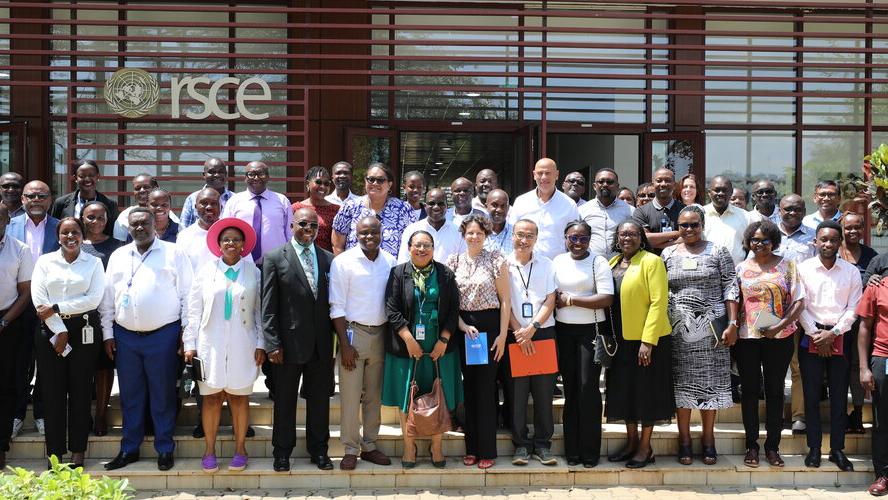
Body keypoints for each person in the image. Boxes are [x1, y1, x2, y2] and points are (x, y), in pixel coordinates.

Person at [101, 208, 193, 472]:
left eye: (144, 223)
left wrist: (186, 335)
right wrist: (108, 333)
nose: (139, 228)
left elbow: (188, 296)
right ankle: (129, 449)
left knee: (163, 394)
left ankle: (164, 449)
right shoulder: (118, 256)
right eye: (134, 224)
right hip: (125, 335)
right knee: (130, 395)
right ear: (128, 228)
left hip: (163, 334)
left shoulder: (174, 253)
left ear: (155, 224)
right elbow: (108, 299)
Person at [184, 218, 265, 473]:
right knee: (212, 398)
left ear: (244, 245)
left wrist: (262, 343)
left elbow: (261, 311)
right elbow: (193, 310)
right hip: (211, 342)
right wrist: (190, 343)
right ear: (219, 244)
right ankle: (209, 451)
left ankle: (240, 449)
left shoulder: (253, 272)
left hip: (244, 341)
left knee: (240, 398)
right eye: (226, 239)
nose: (231, 243)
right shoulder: (206, 271)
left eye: (236, 240)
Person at [661, 206, 739, 466]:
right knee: (682, 386)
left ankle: (708, 440)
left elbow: (730, 285)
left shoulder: (717, 251)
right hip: (678, 331)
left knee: (710, 385)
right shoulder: (668, 253)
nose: (689, 229)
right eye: (684, 225)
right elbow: (662, 290)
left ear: (703, 224)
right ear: (678, 226)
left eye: (694, 224)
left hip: (712, 331)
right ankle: (683, 441)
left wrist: (733, 323)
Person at [262, 208, 335, 472]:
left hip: (321, 345)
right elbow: (268, 307)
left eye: (313, 226)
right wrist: (272, 343)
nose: (308, 229)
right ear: (292, 225)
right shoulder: (273, 258)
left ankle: (319, 450)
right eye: (303, 224)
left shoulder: (328, 259)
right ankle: (282, 452)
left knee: (320, 402)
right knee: (285, 402)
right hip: (287, 346)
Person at [383, 230, 463, 468]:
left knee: (439, 393)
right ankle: (410, 445)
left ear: (433, 248)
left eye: (427, 245)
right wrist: (408, 338)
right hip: (406, 346)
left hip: (439, 346)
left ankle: (436, 445)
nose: (422, 249)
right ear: (409, 247)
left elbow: (453, 310)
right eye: (417, 245)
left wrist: (444, 340)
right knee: (407, 397)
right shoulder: (398, 273)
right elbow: (391, 309)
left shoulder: (445, 274)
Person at [30, 216, 105, 468]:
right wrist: (60, 331)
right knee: (52, 393)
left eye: (75, 233)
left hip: (83, 329)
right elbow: (39, 301)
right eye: (65, 233)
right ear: (58, 236)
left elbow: (93, 300)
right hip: (50, 330)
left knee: (81, 392)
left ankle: (78, 451)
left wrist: (57, 307)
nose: (70, 237)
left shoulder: (94, 263)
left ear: (83, 235)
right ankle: (54, 454)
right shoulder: (44, 261)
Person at [735, 220, 805, 468]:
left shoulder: (788, 266)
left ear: (773, 241)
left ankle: (772, 447)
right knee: (750, 391)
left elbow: (798, 302)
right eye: (754, 239)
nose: (759, 244)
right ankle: (751, 445)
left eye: (765, 240)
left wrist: (779, 325)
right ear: (748, 242)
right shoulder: (741, 268)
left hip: (780, 337)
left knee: (775, 392)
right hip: (747, 339)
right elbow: (734, 301)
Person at [329, 216, 397, 470]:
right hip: (353, 335)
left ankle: (369, 445)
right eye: (363, 233)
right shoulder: (343, 262)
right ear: (355, 234)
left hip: (381, 333)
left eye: (373, 232)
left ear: (381, 233)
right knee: (350, 394)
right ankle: (349, 448)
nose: (369, 237)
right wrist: (344, 346)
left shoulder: (390, 262)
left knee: (373, 395)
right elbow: (336, 306)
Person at [605, 220, 672, 469]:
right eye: (622, 234)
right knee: (626, 393)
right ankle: (632, 443)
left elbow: (658, 301)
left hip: (647, 341)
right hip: (621, 341)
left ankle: (645, 447)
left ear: (641, 238)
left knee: (647, 394)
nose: (627, 238)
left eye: (633, 234)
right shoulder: (612, 263)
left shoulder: (651, 262)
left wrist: (648, 341)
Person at [446, 214, 510, 469]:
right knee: (469, 391)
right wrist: (462, 325)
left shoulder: (496, 260)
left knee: (485, 390)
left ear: (486, 236)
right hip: (464, 330)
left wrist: (503, 336)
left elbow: (505, 300)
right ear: (463, 235)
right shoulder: (453, 262)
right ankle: (471, 448)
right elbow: (450, 303)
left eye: (479, 233)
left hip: (490, 329)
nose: (474, 237)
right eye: (470, 233)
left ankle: (487, 450)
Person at [797, 220, 861, 471]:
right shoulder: (803, 268)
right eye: (823, 239)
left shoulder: (851, 271)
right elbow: (799, 304)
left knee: (838, 396)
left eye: (833, 240)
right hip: (810, 335)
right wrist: (815, 334)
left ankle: (837, 450)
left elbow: (854, 308)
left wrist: (832, 333)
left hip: (839, 335)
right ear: (816, 241)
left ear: (839, 242)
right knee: (811, 395)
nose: (828, 244)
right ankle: (814, 448)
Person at [553, 220, 613, 468]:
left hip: (591, 331)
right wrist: (565, 301)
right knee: (570, 388)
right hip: (563, 331)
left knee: (588, 388)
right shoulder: (557, 261)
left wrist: (571, 300)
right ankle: (572, 451)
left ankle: (590, 451)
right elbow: (552, 295)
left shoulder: (598, 261)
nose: (577, 243)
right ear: (565, 238)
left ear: (590, 239)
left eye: (583, 239)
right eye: (573, 238)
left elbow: (607, 298)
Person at [8, 180, 59, 439]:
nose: (36, 199)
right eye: (31, 196)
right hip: (17, 305)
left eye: (42, 195)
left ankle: (41, 413)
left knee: (46, 364)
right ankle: (16, 415)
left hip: (49, 307)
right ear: (23, 199)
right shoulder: (9, 225)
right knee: (19, 364)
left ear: (50, 199)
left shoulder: (61, 227)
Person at [505, 219, 558, 467]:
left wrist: (533, 328)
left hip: (543, 334)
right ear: (512, 236)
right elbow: (503, 301)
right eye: (520, 235)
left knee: (543, 393)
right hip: (515, 336)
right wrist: (519, 331)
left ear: (536, 238)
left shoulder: (546, 264)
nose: (523, 240)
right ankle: (521, 446)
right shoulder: (503, 264)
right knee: (517, 394)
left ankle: (542, 445)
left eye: (529, 236)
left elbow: (550, 298)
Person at [771, 194, 816, 436]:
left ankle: (799, 416)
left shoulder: (813, 238)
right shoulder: (768, 234)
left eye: (797, 209)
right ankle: (774, 414)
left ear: (804, 210)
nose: (792, 213)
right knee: (774, 366)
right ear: (780, 209)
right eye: (787, 209)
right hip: (772, 311)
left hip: (802, 310)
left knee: (798, 366)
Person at [78, 201, 121, 437]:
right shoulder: (74, 245)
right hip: (79, 317)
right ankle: (83, 413)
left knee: (104, 368)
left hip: (107, 316)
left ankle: (102, 415)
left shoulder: (118, 246)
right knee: (82, 369)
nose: (96, 222)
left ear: (108, 219)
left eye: (100, 218)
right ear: (82, 218)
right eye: (90, 217)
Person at [0, 202, 34, 469]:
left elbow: (25, 292)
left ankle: (1, 445)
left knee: (5, 387)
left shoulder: (19, 250)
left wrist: (4, 321)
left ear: (7, 221)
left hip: (7, 322)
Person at [840, 212, 878, 434]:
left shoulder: (872, 256)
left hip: (860, 325)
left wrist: (873, 281)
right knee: (836, 370)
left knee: (856, 367)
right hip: (835, 322)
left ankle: (856, 412)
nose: (853, 232)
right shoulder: (833, 251)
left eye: (857, 228)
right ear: (842, 228)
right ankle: (839, 413)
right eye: (848, 228)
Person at [331, 162, 416, 257]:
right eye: (371, 179)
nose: (375, 183)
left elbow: (413, 243)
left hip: (392, 270)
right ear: (365, 181)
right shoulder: (350, 207)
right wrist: (344, 268)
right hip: (354, 270)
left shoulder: (403, 209)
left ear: (389, 184)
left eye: (380, 180)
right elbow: (337, 245)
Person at [221, 161, 292, 266]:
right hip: (242, 263)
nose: (256, 178)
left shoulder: (282, 200)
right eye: (251, 174)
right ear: (245, 178)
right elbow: (225, 232)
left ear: (268, 177)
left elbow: (290, 234)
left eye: (261, 174)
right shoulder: (234, 201)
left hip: (277, 264)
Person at [856, 267, 888, 495]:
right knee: (882, 422)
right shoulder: (877, 286)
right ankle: (883, 475)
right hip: (883, 358)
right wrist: (864, 367)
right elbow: (865, 327)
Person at [510, 158, 580, 260]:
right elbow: (512, 235)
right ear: (534, 175)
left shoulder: (569, 205)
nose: (543, 177)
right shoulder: (521, 202)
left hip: (556, 267)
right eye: (540, 173)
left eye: (548, 173)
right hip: (526, 265)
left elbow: (574, 238)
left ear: (556, 175)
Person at [50, 159, 119, 235]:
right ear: (75, 178)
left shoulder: (110, 204)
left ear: (98, 176)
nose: (87, 179)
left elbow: (112, 232)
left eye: (91, 175)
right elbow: (54, 230)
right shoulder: (61, 203)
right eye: (82, 176)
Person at [579, 167, 634, 260]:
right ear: (594, 186)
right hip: (591, 262)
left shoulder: (630, 210)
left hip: (621, 263)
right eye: (601, 182)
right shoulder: (582, 210)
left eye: (610, 182)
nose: (605, 185)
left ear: (617, 186)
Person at [398, 189, 464, 264]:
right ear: (425, 206)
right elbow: (403, 261)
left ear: (447, 206)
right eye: (432, 203)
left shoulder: (458, 232)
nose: (436, 207)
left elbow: (463, 263)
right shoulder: (411, 230)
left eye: (440, 204)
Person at [702, 176, 756, 265]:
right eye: (717, 190)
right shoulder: (700, 214)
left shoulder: (746, 217)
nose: (721, 193)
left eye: (724, 190)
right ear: (709, 192)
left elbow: (752, 245)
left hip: (736, 273)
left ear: (731, 192)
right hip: (706, 273)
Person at [112, 174, 179, 242]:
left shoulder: (166, 214)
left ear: (156, 188)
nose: (142, 191)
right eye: (137, 188)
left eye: (146, 187)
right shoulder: (125, 216)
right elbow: (120, 245)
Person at [632, 168, 684, 254]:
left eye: (667, 180)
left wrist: (656, 242)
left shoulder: (684, 210)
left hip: (678, 261)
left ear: (674, 185)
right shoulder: (641, 211)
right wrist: (677, 233)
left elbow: (688, 237)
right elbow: (644, 239)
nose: (663, 184)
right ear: (653, 185)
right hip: (651, 263)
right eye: (659, 181)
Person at [291, 165, 340, 252]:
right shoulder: (296, 208)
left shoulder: (336, 210)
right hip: (299, 258)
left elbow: (338, 243)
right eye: (318, 182)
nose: (323, 187)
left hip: (325, 261)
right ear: (307, 184)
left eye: (326, 183)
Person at [180, 157, 233, 228]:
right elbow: (184, 228)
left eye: (220, 172)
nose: (217, 175)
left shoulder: (235, 199)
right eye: (212, 172)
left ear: (226, 174)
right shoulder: (192, 198)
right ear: (204, 175)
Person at [484, 189, 513, 256]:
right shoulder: (478, 234)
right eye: (495, 205)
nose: (499, 210)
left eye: (503, 206)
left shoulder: (516, 234)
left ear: (508, 208)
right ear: (486, 207)